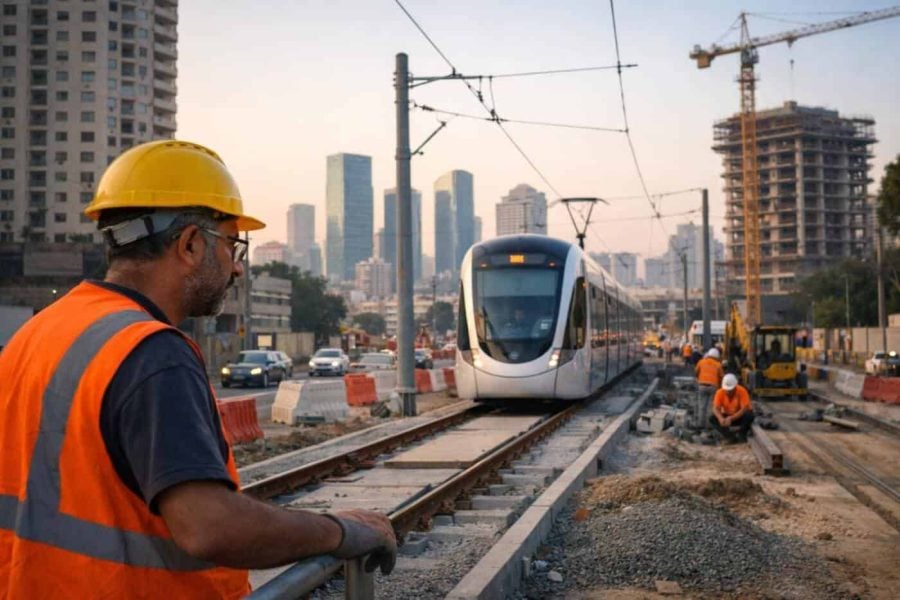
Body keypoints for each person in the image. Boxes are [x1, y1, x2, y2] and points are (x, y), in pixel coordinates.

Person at [0, 141, 396, 598]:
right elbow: (209, 526)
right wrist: (338, 531)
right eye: (232, 244)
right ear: (190, 244)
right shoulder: (150, 352)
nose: (237, 269)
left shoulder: (38, 333)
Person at [709, 373, 755, 443]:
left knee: (749, 415)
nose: (728, 392)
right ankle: (730, 437)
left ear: (735, 386)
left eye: (730, 390)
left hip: (740, 417)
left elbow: (744, 409)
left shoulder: (742, 391)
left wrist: (731, 418)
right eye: (726, 390)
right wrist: (720, 418)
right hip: (728, 416)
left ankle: (742, 434)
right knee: (712, 418)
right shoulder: (720, 392)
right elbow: (715, 408)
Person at [694, 348, 724, 428]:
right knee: (711, 406)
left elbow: (696, 372)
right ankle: (709, 425)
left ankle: (701, 424)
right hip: (713, 387)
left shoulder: (701, 362)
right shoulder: (718, 364)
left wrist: (699, 379)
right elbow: (721, 377)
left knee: (702, 406)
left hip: (702, 386)